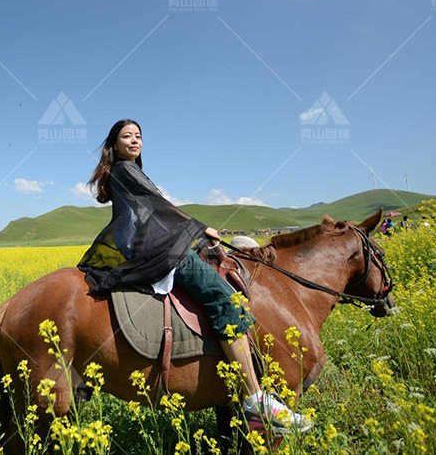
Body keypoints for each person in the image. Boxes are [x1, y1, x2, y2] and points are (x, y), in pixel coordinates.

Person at [76, 119, 312, 435]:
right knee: (224, 298)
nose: (134, 140)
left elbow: (155, 213)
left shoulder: (129, 171)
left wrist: (200, 241)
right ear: (114, 144)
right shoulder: (124, 170)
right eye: (126, 136)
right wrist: (201, 228)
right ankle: (257, 401)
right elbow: (161, 207)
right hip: (153, 249)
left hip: (151, 243)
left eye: (138, 136)